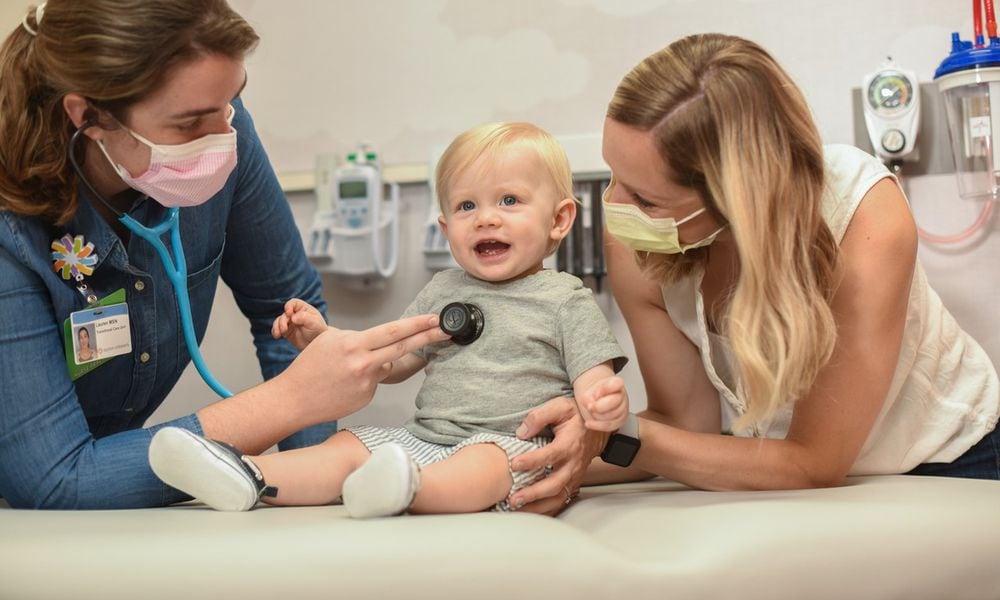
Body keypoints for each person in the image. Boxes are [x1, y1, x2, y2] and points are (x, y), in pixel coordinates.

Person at [0, 0, 449, 510]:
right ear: (89, 115)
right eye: (190, 124)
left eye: (231, 103)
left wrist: (317, 491)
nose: (222, 140)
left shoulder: (221, 132)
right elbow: (56, 480)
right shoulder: (10, 229)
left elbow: (287, 310)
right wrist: (293, 400)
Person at [534, 32, 998, 492]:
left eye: (646, 199)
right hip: (776, 475)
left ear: (737, 198)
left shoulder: (860, 212)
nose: (616, 207)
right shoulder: (639, 244)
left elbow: (813, 463)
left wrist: (612, 436)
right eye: (615, 176)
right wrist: (531, 461)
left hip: (948, 464)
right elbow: (683, 424)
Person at [147, 121, 630, 516]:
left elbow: (594, 378)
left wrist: (600, 400)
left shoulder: (563, 298)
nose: (485, 218)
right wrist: (324, 340)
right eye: (466, 206)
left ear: (559, 219)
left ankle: (406, 489)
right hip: (423, 436)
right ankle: (244, 473)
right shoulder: (443, 289)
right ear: (446, 228)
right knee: (348, 447)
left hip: (512, 445)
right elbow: (392, 361)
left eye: (509, 201)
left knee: (481, 468)